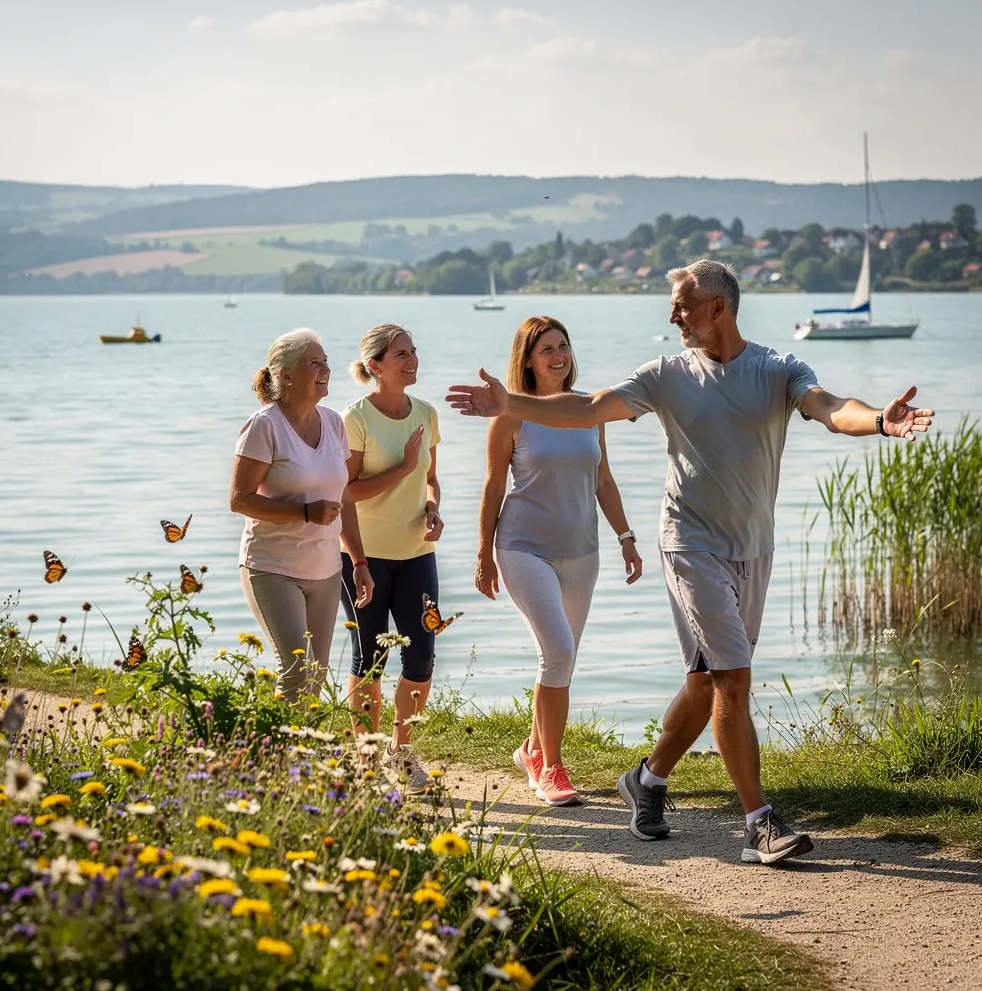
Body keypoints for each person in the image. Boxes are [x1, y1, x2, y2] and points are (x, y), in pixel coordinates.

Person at [447, 260, 934, 864]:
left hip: (752, 547)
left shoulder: (779, 369)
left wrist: (880, 422)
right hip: (688, 543)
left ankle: (646, 781)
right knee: (734, 678)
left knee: (705, 685)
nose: (671, 314)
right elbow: (588, 408)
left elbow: (830, 407)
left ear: (718, 309)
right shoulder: (666, 374)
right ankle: (760, 822)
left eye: (681, 304)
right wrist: (509, 402)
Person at [478, 317, 642, 807]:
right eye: (546, 348)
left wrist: (626, 537)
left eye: (563, 346)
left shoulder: (589, 409)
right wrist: (483, 553)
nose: (558, 355)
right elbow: (492, 487)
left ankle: (531, 750)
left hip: (582, 551)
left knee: (560, 658)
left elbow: (604, 481)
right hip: (523, 546)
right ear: (527, 358)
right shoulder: (509, 415)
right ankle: (550, 767)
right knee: (559, 652)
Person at [230, 328, 373, 701]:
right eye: (314, 362)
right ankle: (274, 757)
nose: (325, 369)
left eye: (325, 361)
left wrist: (358, 561)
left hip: (326, 569)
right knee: (297, 673)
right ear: (287, 374)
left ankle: (301, 759)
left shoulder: (333, 422)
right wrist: (305, 512)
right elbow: (240, 500)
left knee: (315, 678)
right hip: (272, 566)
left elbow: (344, 496)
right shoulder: (264, 426)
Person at [341, 324, 444, 793]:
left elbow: (430, 480)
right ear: (375, 365)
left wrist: (433, 509)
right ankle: (366, 762)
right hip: (363, 555)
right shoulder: (355, 418)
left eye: (414, 351)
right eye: (401, 354)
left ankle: (402, 754)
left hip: (417, 554)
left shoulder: (426, 413)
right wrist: (401, 467)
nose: (412, 360)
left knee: (421, 655)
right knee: (372, 658)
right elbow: (346, 491)